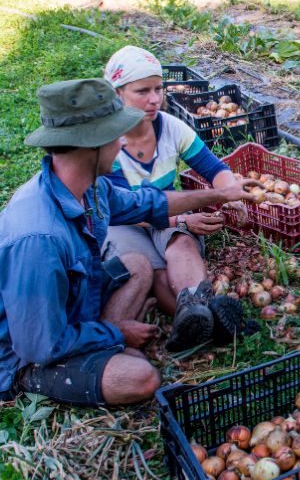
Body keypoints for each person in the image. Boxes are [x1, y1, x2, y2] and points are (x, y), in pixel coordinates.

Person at [0, 78, 258, 407]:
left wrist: (222, 192)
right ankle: (38, 376)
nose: (123, 143)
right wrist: (119, 333)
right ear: (89, 145)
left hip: (72, 309)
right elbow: (40, 344)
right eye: (115, 135)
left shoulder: (90, 189)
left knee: (136, 264)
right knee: (141, 377)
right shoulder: (37, 238)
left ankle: (102, 342)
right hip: (27, 354)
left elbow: (150, 204)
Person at [103, 46, 246, 350]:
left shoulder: (170, 127)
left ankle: (197, 307)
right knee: (153, 271)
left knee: (180, 242)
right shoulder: (108, 145)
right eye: (142, 91)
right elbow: (128, 211)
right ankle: (207, 325)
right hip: (125, 223)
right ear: (118, 94)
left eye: (158, 89)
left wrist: (231, 191)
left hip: (165, 212)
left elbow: (214, 168)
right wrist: (182, 218)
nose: (154, 99)